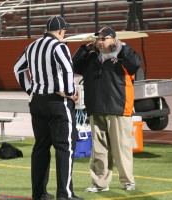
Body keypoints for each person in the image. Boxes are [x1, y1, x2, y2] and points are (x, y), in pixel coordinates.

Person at [14, 16, 84, 200]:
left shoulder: (32, 46)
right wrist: (69, 92)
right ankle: (65, 194)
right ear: (60, 31)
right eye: (64, 31)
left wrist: (30, 90)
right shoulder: (59, 46)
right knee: (65, 147)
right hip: (57, 102)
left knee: (41, 148)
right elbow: (68, 68)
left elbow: (17, 68)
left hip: (37, 102)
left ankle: (39, 193)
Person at [72, 27, 142, 192]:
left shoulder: (123, 56)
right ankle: (100, 183)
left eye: (104, 39)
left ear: (113, 39)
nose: (100, 42)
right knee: (99, 151)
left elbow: (136, 64)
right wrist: (85, 48)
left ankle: (128, 181)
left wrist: (122, 47)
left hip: (118, 108)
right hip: (96, 108)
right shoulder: (91, 58)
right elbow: (74, 65)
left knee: (121, 149)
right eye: (98, 39)